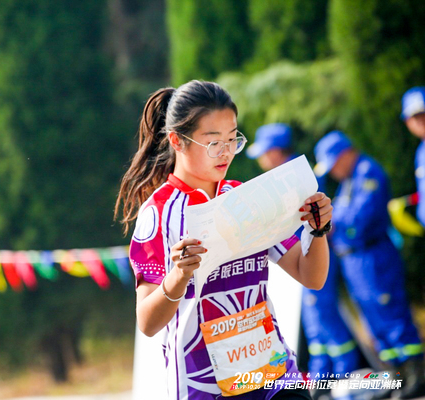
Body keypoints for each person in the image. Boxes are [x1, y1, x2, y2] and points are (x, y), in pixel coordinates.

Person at [115, 80, 333, 400]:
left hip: (273, 374)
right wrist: (179, 276)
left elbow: (311, 276)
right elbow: (147, 323)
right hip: (204, 386)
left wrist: (318, 230)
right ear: (177, 140)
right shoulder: (157, 213)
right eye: (213, 142)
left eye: (232, 139)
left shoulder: (245, 197)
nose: (226, 152)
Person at [248, 124, 361, 399]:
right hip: (298, 258)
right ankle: (322, 380)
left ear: (276, 152)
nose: (262, 160)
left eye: (264, 153)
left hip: (312, 257)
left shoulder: (297, 179)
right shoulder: (283, 178)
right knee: (314, 322)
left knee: (324, 316)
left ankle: (346, 376)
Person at [314, 130, 425, 400]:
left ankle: (417, 375)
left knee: (391, 315)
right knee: (374, 321)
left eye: (334, 164)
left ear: (345, 154)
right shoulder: (349, 181)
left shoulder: (367, 172)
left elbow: (359, 218)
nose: (334, 172)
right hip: (354, 261)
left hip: (374, 257)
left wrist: (334, 221)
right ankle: (396, 377)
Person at [402, 87, 425, 226]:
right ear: (407, 122)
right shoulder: (420, 153)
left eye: (423, 113)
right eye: (415, 117)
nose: (420, 120)